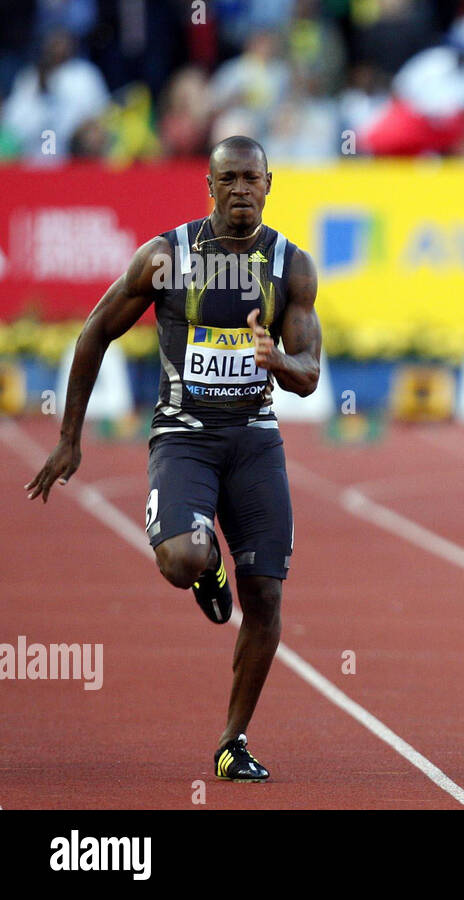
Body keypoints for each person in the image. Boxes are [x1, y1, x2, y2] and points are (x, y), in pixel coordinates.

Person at [26, 136, 321, 780]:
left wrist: (279, 361)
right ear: (208, 187)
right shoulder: (166, 258)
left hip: (254, 439)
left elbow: (310, 374)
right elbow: (95, 330)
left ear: (270, 185)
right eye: (228, 179)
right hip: (183, 435)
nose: (241, 189)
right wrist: (70, 437)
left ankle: (232, 740)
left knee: (267, 597)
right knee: (182, 558)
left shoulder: (291, 266)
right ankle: (207, 566)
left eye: (252, 178)